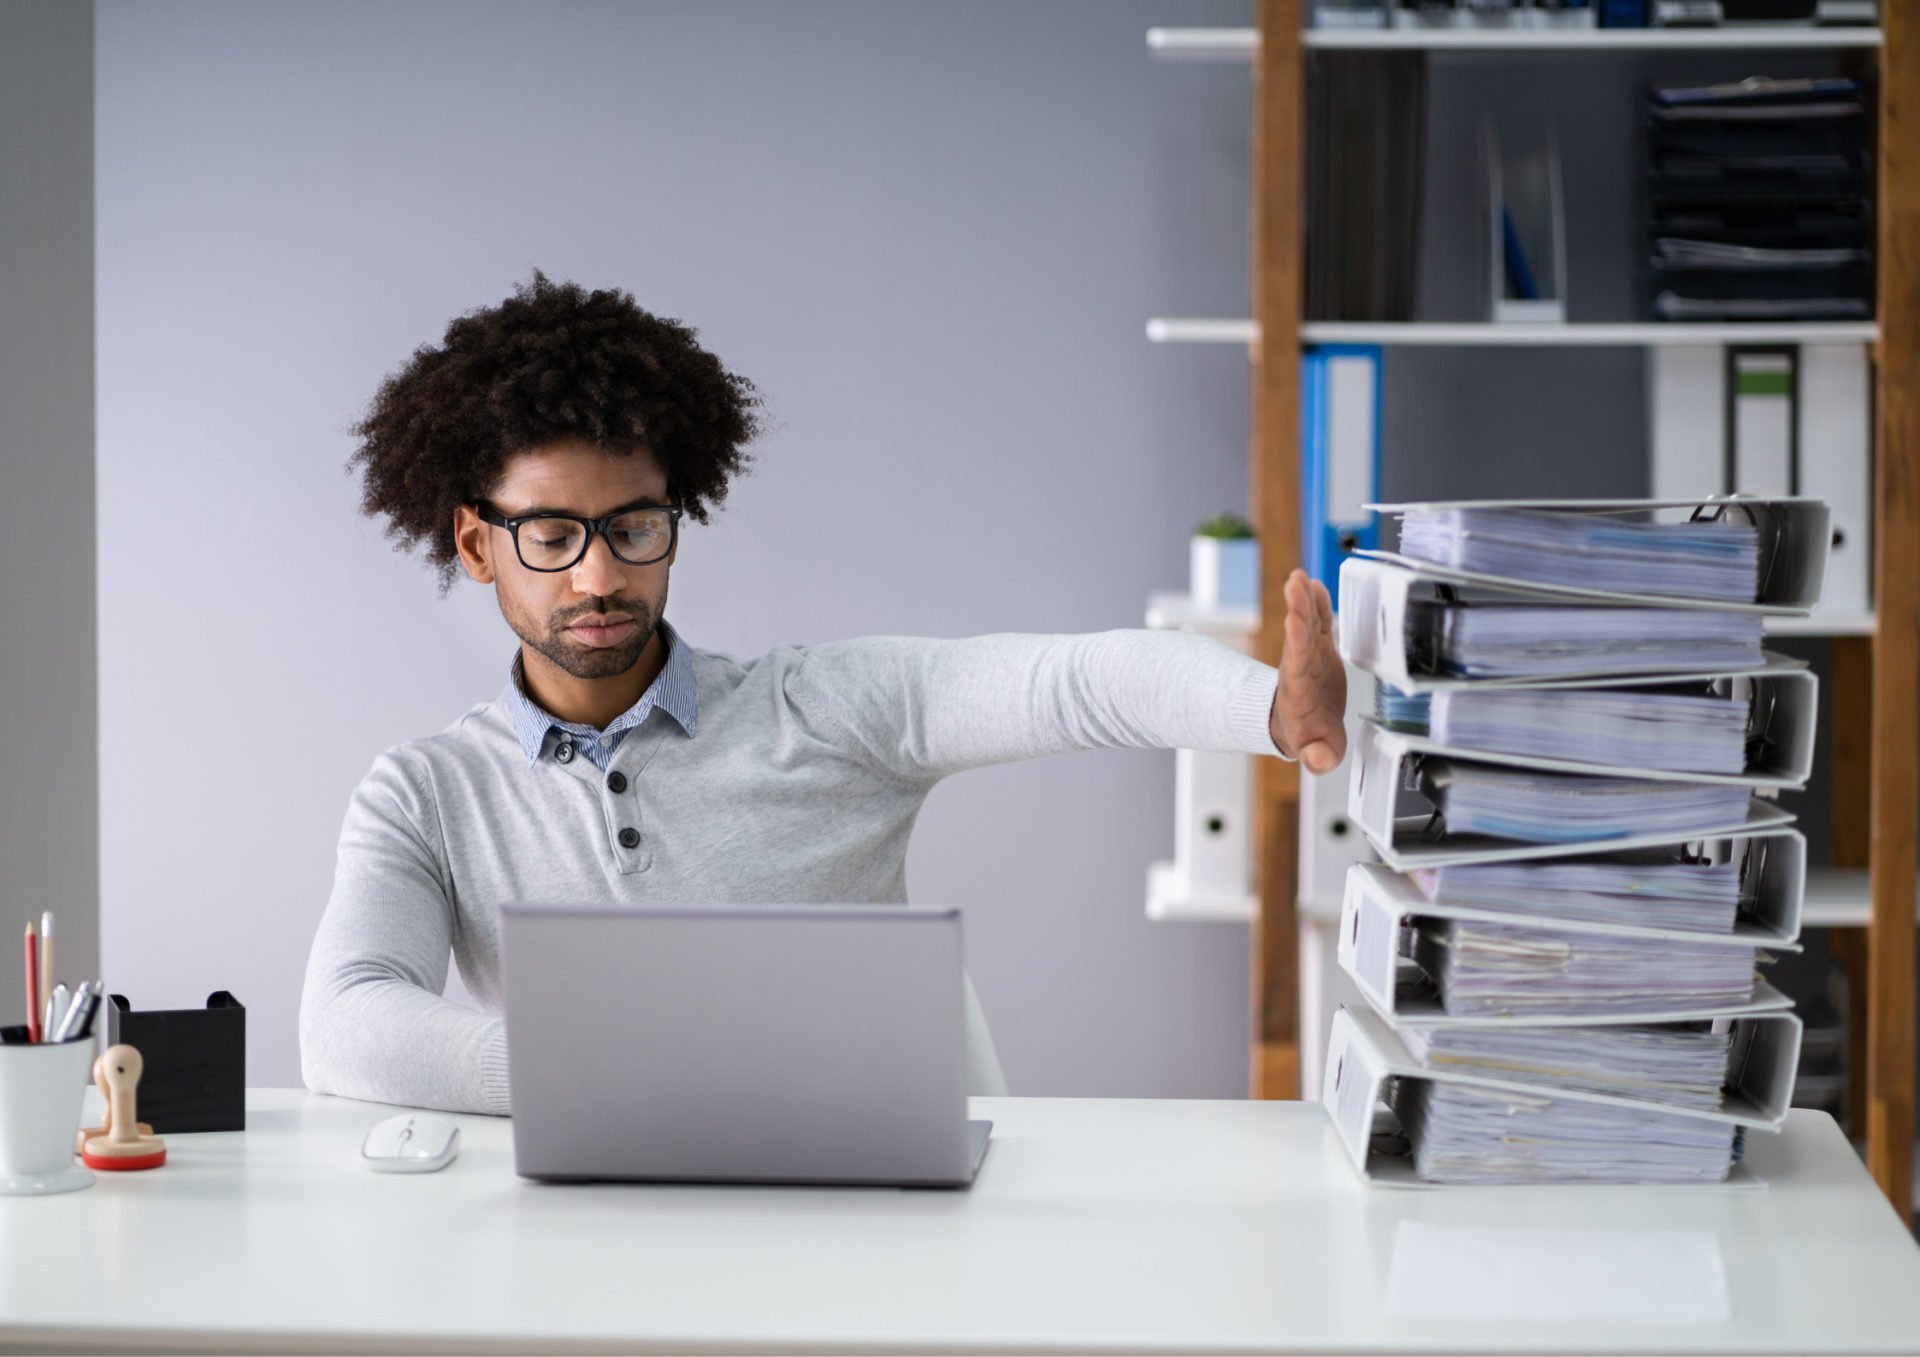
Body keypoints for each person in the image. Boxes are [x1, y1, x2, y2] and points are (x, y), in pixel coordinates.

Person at [299, 273, 1348, 1114]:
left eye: (634, 526)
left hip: (864, 1238)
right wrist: (623, 1072)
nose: (599, 576)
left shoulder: (823, 710)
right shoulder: (425, 794)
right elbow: (345, 1022)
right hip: (589, 1244)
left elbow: (1072, 682)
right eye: (552, 535)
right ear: (478, 544)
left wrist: (1271, 709)